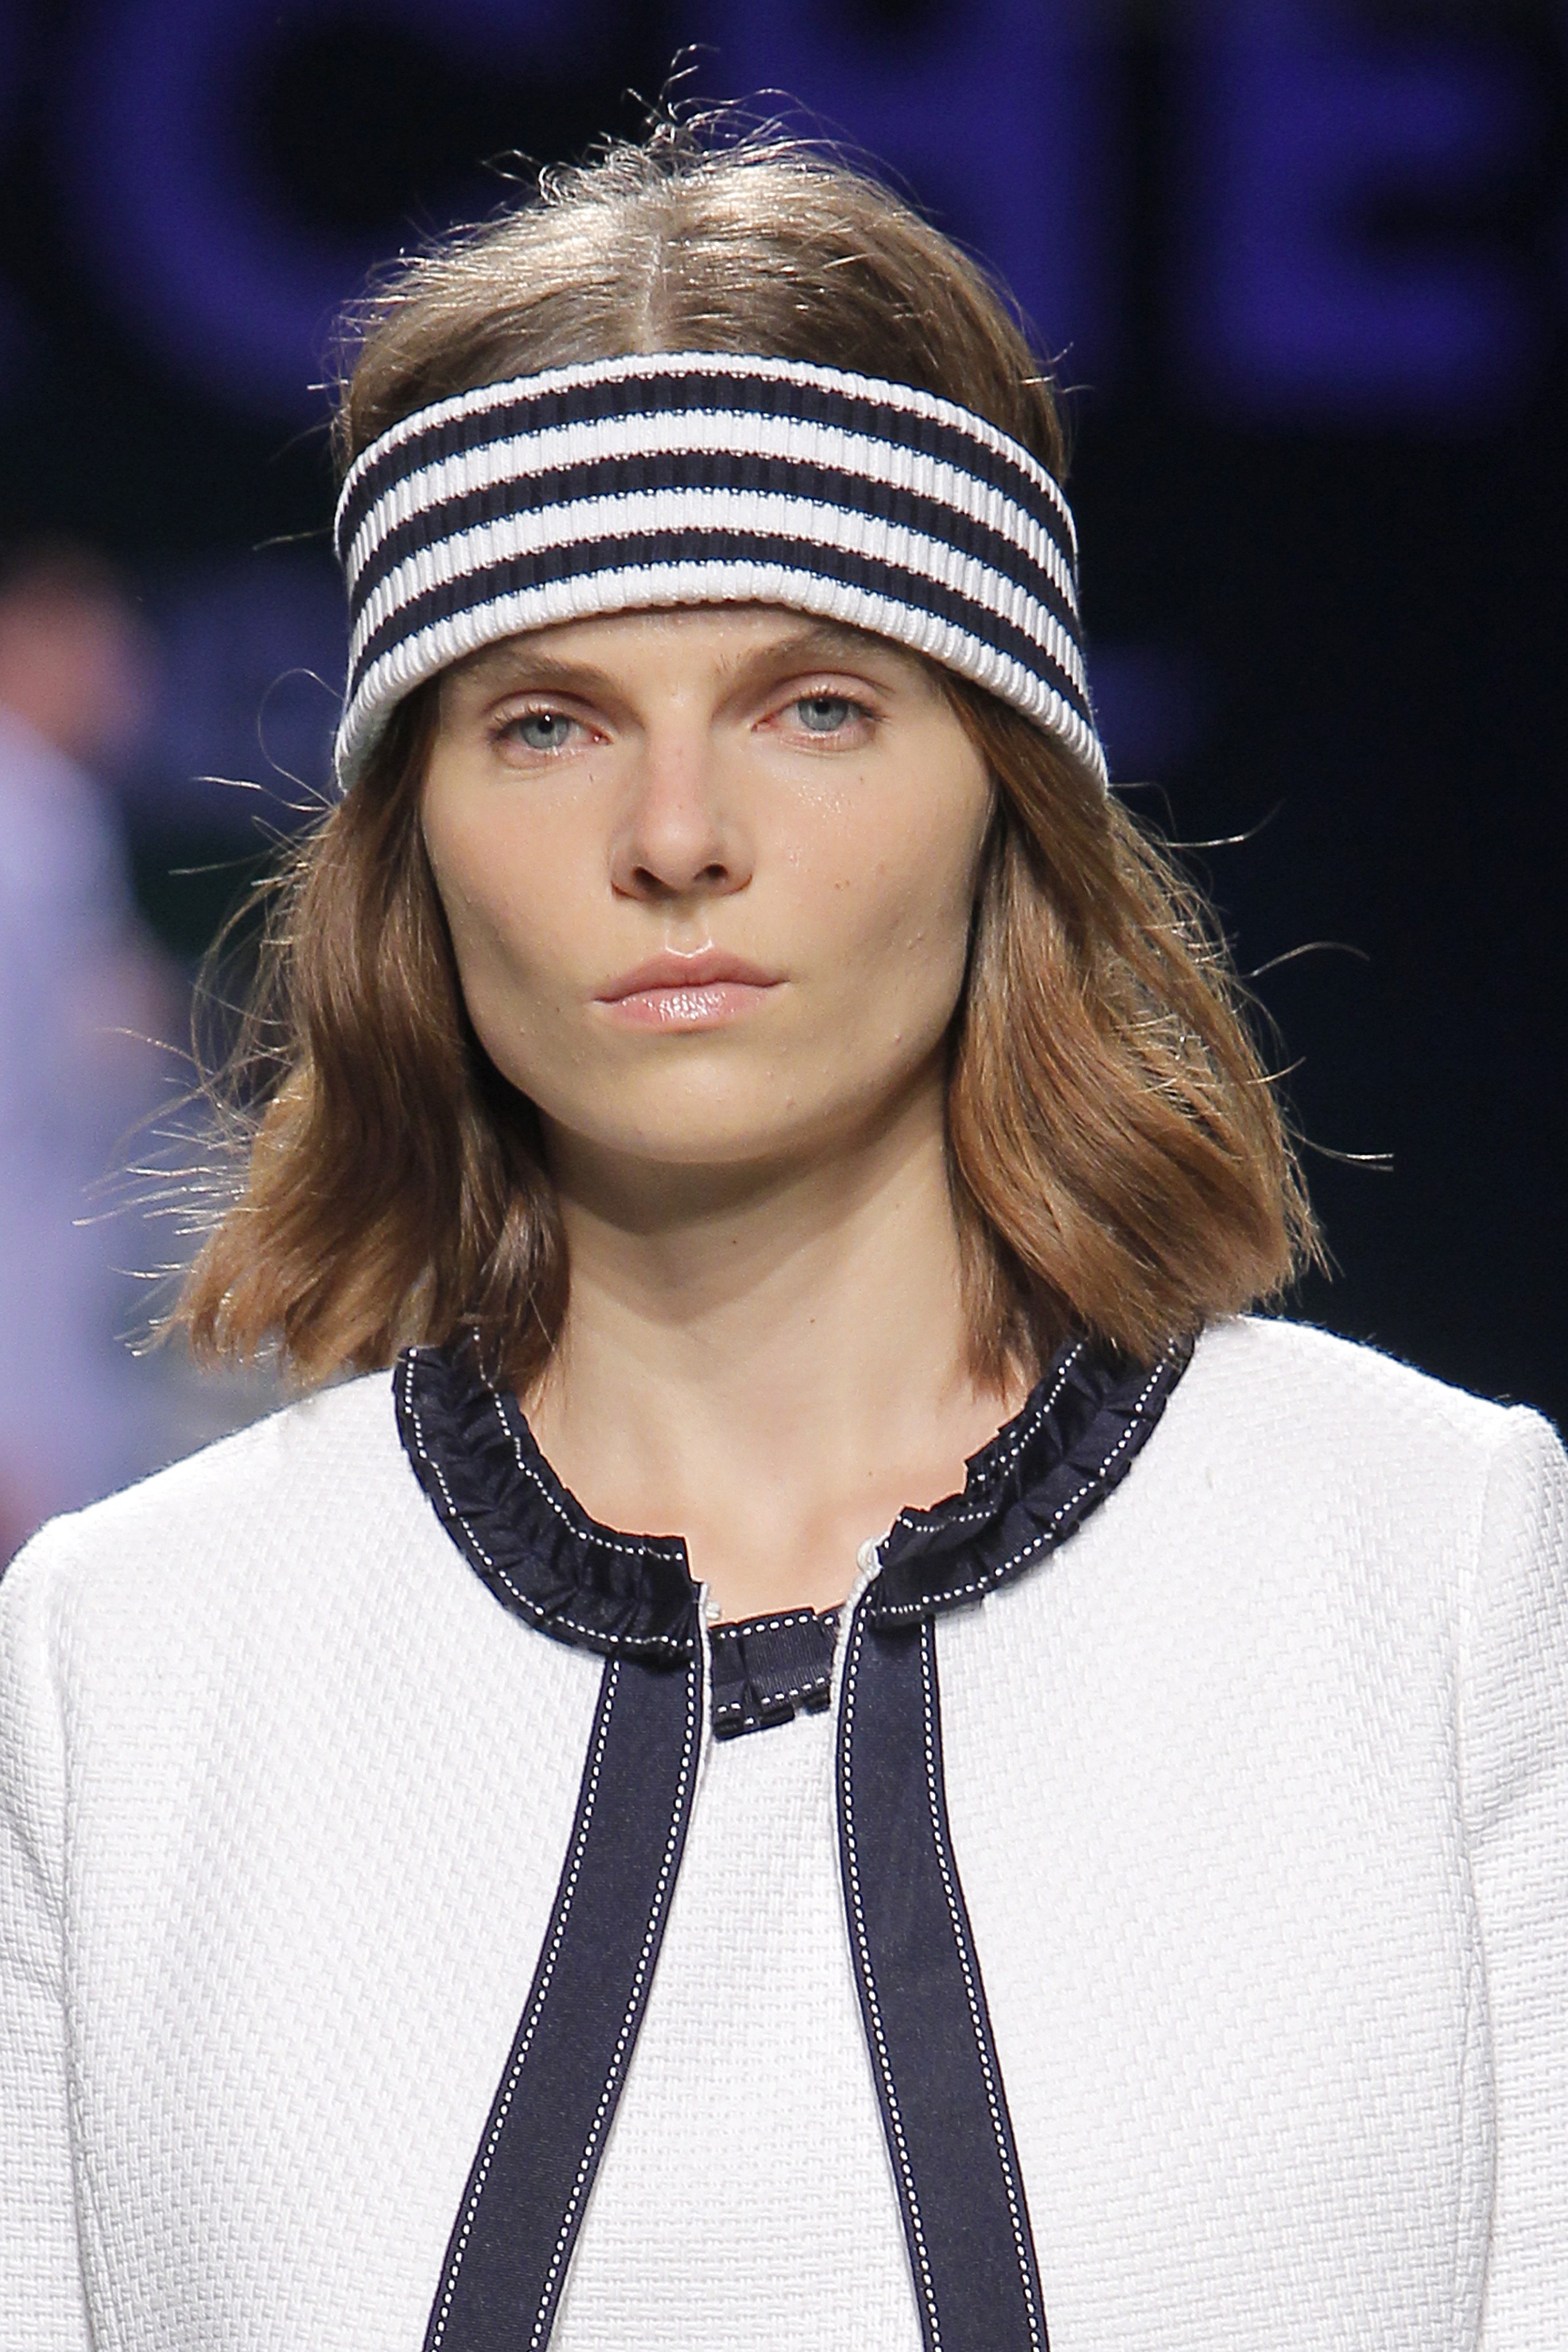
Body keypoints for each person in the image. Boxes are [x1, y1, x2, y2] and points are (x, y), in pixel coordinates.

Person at [2, 118, 1563, 2352]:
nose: (674, 835)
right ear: (411, 838)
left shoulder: (1421, 1568)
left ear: (1006, 790)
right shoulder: (133, 1668)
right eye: (546, 722)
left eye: (814, 707)